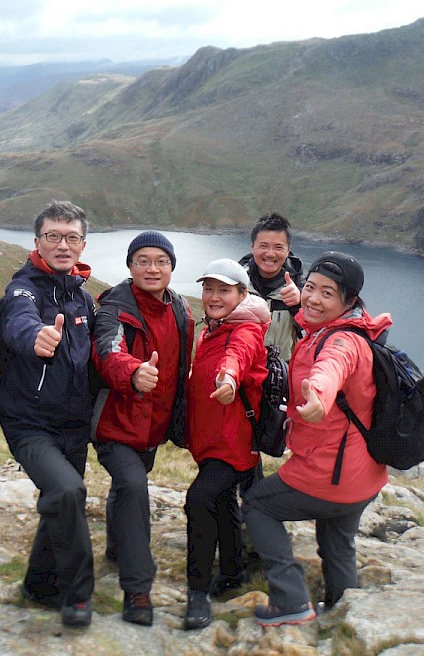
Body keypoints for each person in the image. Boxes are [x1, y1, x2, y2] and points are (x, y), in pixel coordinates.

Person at [243, 251, 391, 627]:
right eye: (310, 287)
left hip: (331, 473)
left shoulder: (342, 342)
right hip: (364, 475)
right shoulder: (333, 331)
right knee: (338, 543)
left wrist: (317, 398)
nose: (313, 298)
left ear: (349, 302)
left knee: (258, 505)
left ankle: (290, 599)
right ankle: (344, 615)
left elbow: (330, 370)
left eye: (328, 293)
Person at [0, 200, 97, 628]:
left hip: (73, 424)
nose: (62, 244)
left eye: (71, 237)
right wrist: (35, 335)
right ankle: (78, 595)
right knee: (69, 491)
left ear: (82, 244)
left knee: (60, 499)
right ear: (37, 241)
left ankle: (39, 586)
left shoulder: (83, 298)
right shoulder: (24, 288)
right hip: (29, 421)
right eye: (53, 236)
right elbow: (18, 320)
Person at [91, 231, 194, 626]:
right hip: (116, 425)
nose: (152, 268)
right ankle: (137, 589)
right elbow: (108, 352)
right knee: (134, 487)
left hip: (154, 428)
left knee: (126, 488)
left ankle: (117, 551)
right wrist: (133, 373)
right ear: (130, 266)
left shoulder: (181, 309)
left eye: (161, 261)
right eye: (143, 260)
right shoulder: (115, 308)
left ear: (171, 267)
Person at [183, 259, 269, 630]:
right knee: (220, 502)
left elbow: (238, 359)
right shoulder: (213, 329)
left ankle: (198, 593)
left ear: (242, 294)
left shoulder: (244, 330)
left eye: (224, 290)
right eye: (209, 289)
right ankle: (233, 572)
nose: (214, 297)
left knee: (199, 499)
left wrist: (230, 379)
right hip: (211, 439)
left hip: (232, 444)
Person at [238, 213, 305, 360]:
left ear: (288, 250)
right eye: (263, 246)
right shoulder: (236, 284)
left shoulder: (303, 288)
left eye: (278, 247)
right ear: (252, 247)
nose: (270, 253)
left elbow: (316, 329)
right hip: (241, 371)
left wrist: (299, 303)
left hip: (281, 375)